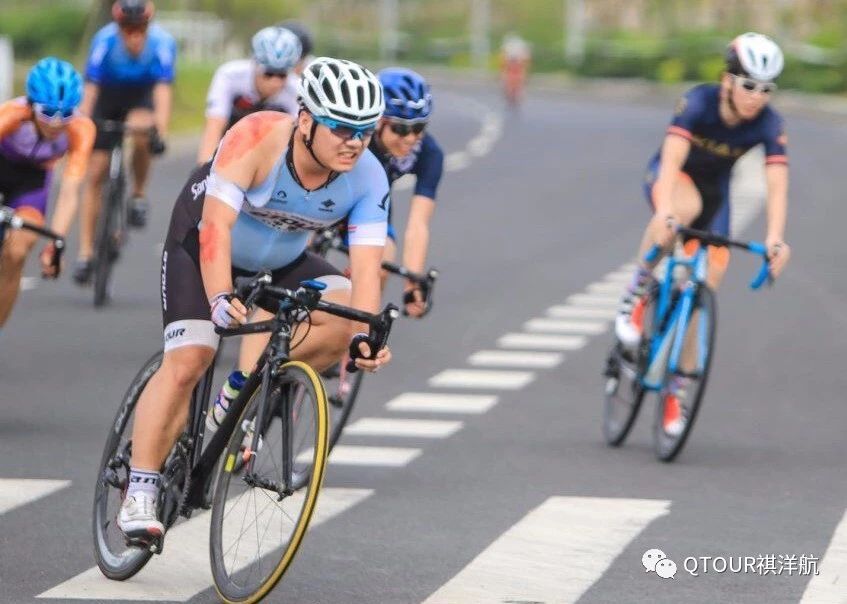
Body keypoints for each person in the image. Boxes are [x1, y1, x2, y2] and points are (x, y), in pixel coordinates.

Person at [117, 57, 392, 541]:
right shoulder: (257, 136)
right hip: (201, 245)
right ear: (305, 121)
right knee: (191, 358)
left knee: (343, 319)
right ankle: (140, 488)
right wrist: (220, 296)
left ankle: (243, 387)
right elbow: (215, 228)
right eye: (341, 128)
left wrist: (364, 338)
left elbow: (367, 269)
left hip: (280, 260)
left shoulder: (369, 175)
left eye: (365, 131)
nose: (354, 141)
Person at [613, 32, 792, 436]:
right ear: (727, 80)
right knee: (684, 210)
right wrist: (663, 210)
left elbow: (777, 182)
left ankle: (675, 388)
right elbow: (672, 158)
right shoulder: (698, 102)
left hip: (716, 195)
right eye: (748, 85)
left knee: (706, 284)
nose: (757, 97)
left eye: (766, 89)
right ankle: (636, 291)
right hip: (672, 179)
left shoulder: (769, 123)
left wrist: (776, 238)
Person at [73, 0, 176, 284]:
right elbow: (90, 89)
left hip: (140, 97)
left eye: (140, 28)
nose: (134, 35)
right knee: (95, 172)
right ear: (118, 26)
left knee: (142, 129)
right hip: (107, 98)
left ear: (148, 25)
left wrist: (161, 131)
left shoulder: (163, 43)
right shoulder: (103, 41)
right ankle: (85, 252)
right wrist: (81, 126)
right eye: (127, 29)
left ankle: (138, 194)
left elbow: (162, 91)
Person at [0, 58, 95, 328]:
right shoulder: (10, 114)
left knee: (18, 252)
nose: (56, 123)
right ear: (31, 105)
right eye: (48, 112)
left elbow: (69, 191)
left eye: (66, 114)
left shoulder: (81, 129)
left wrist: (56, 243)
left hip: (31, 184)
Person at [369, 67, 443, 316]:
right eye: (400, 128)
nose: (410, 138)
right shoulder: (356, 142)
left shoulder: (429, 152)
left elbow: (418, 224)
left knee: (382, 260)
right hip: (325, 203)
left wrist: (413, 283)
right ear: (378, 121)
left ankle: (356, 335)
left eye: (419, 127)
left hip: (371, 206)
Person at [196, 26, 302, 164]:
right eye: (268, 73)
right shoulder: (229, 75)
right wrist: (204, 166)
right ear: (255, 64)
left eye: (282, 75)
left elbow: (297, 141)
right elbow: (215, 125)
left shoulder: (296, 89)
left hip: (270, 151)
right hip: (229, 142)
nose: (275, 82)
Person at [499, 33, 531, 107]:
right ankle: (511, 96)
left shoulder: (520, 51)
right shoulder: (508, 51)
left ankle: (515, 96)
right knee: (508, 84)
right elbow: (503, 63)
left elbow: (526, 62)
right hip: (511, 71)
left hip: (516, 71)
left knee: (516, 84)